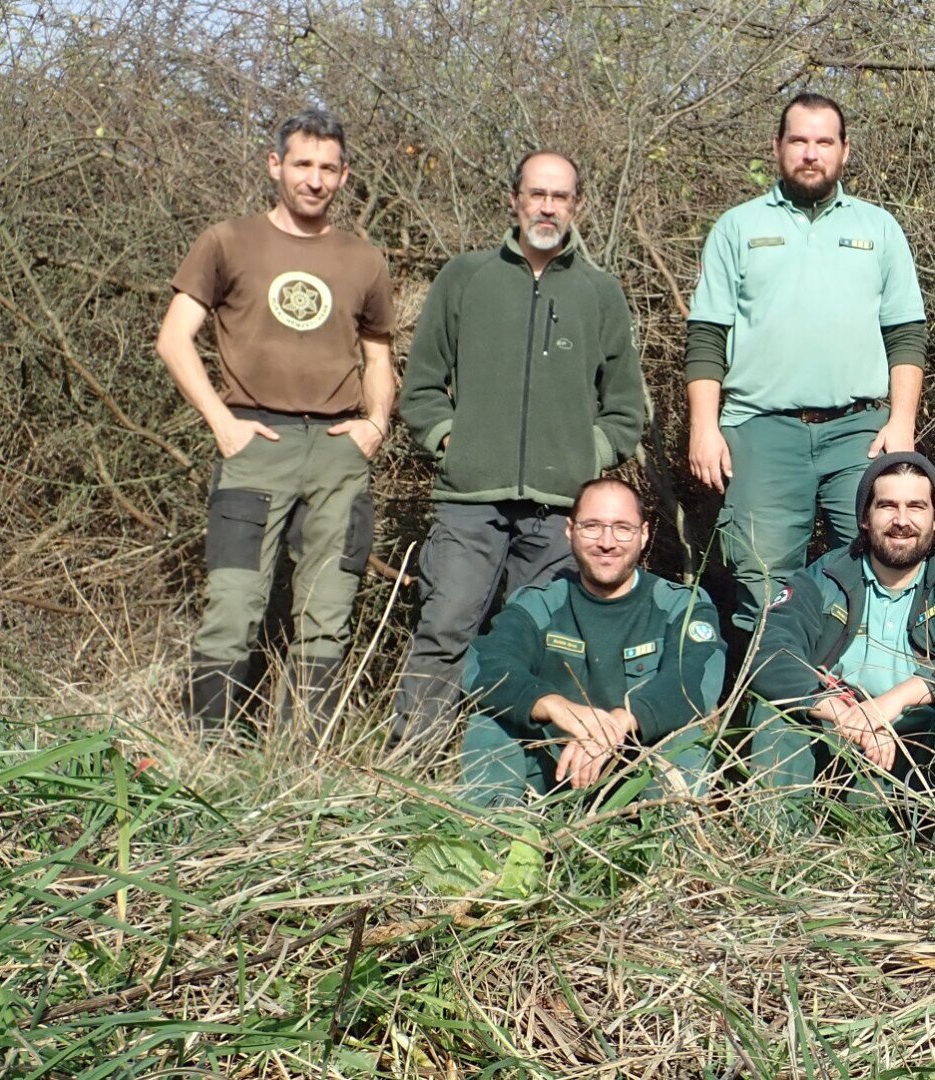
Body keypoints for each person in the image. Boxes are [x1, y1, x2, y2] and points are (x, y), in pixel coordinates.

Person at [396, 151, 648, 749]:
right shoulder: (466, 277)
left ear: (576, 206)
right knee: (445, 628)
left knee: (544, 642)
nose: (547, 207)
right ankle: (414, 767)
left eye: (560, 197)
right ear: (514, 200)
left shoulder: (599, 291)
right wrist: (451, 441)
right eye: (537, 194)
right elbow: (421, 386)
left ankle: (520, 773)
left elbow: (625, 407)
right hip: (469, 500)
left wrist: (588, 455)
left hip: (559, 510)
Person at [157, 109, 396, 736]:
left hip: (338, 451)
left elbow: (378, 355)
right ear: (275, 165)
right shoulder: (227, 241)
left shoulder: (364, 259)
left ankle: (303, 762)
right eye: (302, 164)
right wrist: (222, 422)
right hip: (254, 443)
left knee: (327, 612)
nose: (314, 180)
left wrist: (376, 423)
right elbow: (174, 340)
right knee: (233, 605)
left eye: (327, 168)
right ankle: (207, 756)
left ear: (344, 176)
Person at [686, 92, 928, 633]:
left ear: (845, 150)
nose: (811, 153)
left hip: (859, 433)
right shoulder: (737, 228)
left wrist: (902, 422)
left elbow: (906, 332)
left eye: (824, 141)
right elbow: (706, 335)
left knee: (875, 570)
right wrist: (703, 426)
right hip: (760, 431)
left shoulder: (880, 228)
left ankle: (860, 685)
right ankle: (773, 686)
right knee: (762, 585)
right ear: (777, 146)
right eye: (799, 140)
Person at [744, 452, 935, 843]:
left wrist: (889, 704)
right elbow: (769, 652)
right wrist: (845, 715)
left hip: (928, 758)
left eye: (916, 507)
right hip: (840, 753)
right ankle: (780, 849)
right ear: (864, 517)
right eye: (887, 505)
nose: (901, 520)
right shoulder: (820, 579)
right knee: (774, 707)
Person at [458, 477, 726, 809]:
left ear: (644, 534)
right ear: (570, 531)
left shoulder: (680, 606)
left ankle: (671, 837)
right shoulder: (538, 604)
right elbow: (486, 665)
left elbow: (694, 681)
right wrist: (556, 707)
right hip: (556, 768)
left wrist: (618, 724)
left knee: (685, 734)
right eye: (592, 527)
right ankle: (497, 831)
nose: (607, 542)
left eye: (622, 528)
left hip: (638, 769)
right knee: (493, 717)